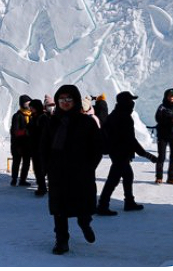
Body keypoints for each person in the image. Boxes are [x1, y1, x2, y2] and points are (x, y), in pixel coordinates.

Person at [38, 85, 103, 255]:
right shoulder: (51, 122)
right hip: (58, 172)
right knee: (59, 210)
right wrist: (46, 167)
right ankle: (62, 241)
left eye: (69, 99)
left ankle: (84, 223)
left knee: (83, 206)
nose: (65, 103)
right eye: (61, 99)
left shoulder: (87, 122)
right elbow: (44, 146)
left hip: (81, 172)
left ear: (75, 100)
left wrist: (89, 167)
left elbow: (97, 147)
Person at [97, 92, 157, 215]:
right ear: (125, 102)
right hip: (120, 152)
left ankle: (129, 202)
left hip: (117, 151)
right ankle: (103, 205)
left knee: (128, 176)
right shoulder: (123, 116)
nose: (132, 103)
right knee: (113, 180)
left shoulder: (116, 114)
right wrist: (145, 154)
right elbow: (130, 139)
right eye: (130, 100)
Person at [10, 95, 35, 186]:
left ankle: (22, 180)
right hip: (18, 144)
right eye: (26, 103)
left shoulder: (32, 115)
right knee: (16, 162)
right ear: (22, 104)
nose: (28, 105)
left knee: (26, 163)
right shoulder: (17, 116)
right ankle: (14, 179)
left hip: (28, 144)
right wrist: (26, 132)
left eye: (29, 103)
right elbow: (14, 131)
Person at [28, 99, 51, 196]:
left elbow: (44, 134)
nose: (31, 109)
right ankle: (42, 186)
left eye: (32, 107)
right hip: (35, 146)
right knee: (38, 168)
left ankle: (43, 188)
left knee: (41, 168)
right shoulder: (34, 117)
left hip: (42, 148)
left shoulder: (43, 118)